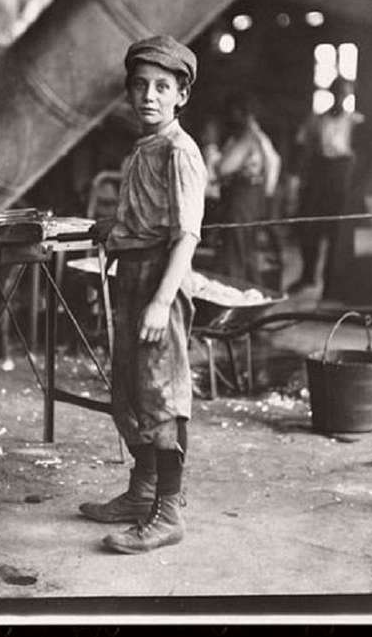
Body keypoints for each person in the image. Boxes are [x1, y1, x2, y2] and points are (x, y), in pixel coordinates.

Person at [80, 35, 207, 554]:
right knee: (129, 393)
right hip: (130, 276)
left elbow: (186, 234)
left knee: (161, 396)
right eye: (139, 86)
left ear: (181, 95)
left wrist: (160, 300)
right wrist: (112, 227)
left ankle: (169, 512)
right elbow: (146, 216)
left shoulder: (180, 151)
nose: (148, 96)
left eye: (162, 87)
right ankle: (143, 491)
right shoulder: (142, 150)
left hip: (160, 280)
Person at [289, 76, 364, 296]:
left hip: (341, 178)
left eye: (345, 94)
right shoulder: (317, 120)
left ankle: (331, 285)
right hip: (318, 175)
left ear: (349, 96)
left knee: (336, 232)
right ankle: (307, 275)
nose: (341, 97)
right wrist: (297, 177)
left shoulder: (355, 122)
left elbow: (363, 155)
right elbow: (302, 148)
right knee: (309, 227)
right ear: (332, 93)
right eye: (338, 92)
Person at [215, 94, 281, 285]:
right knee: (243, 247)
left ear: (245, 114)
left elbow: (224, 167)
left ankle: (236, 290)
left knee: (236, 247)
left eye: (234, 113)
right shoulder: (254, 137)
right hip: (249, 194)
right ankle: (246, 289)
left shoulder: (249, 136)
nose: (230, 117)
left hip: (244, 195)